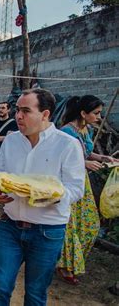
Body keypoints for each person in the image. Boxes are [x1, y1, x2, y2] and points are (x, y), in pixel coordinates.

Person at [0, 88, 85, 306]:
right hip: (9, 227)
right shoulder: (12, 141)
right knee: (0, 287)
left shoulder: (67, 144)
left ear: (45, 114)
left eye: (25, 111)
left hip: (47, 232)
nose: (18, 116)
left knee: (35, 293)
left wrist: (50, 195)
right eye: (17, 110)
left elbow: (77, 189)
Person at [57, 95, 118, 284]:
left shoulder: (85, 129)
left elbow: (86, 152)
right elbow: (60, 159)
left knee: (90, 224)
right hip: (67, 181)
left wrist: (102, 158)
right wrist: (84, 163)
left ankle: (72, 263)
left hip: (82, 183)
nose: (99, 117)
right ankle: (65, 267)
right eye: (96, 113)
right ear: (83, 113)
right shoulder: (65, 132)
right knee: (70, 226)